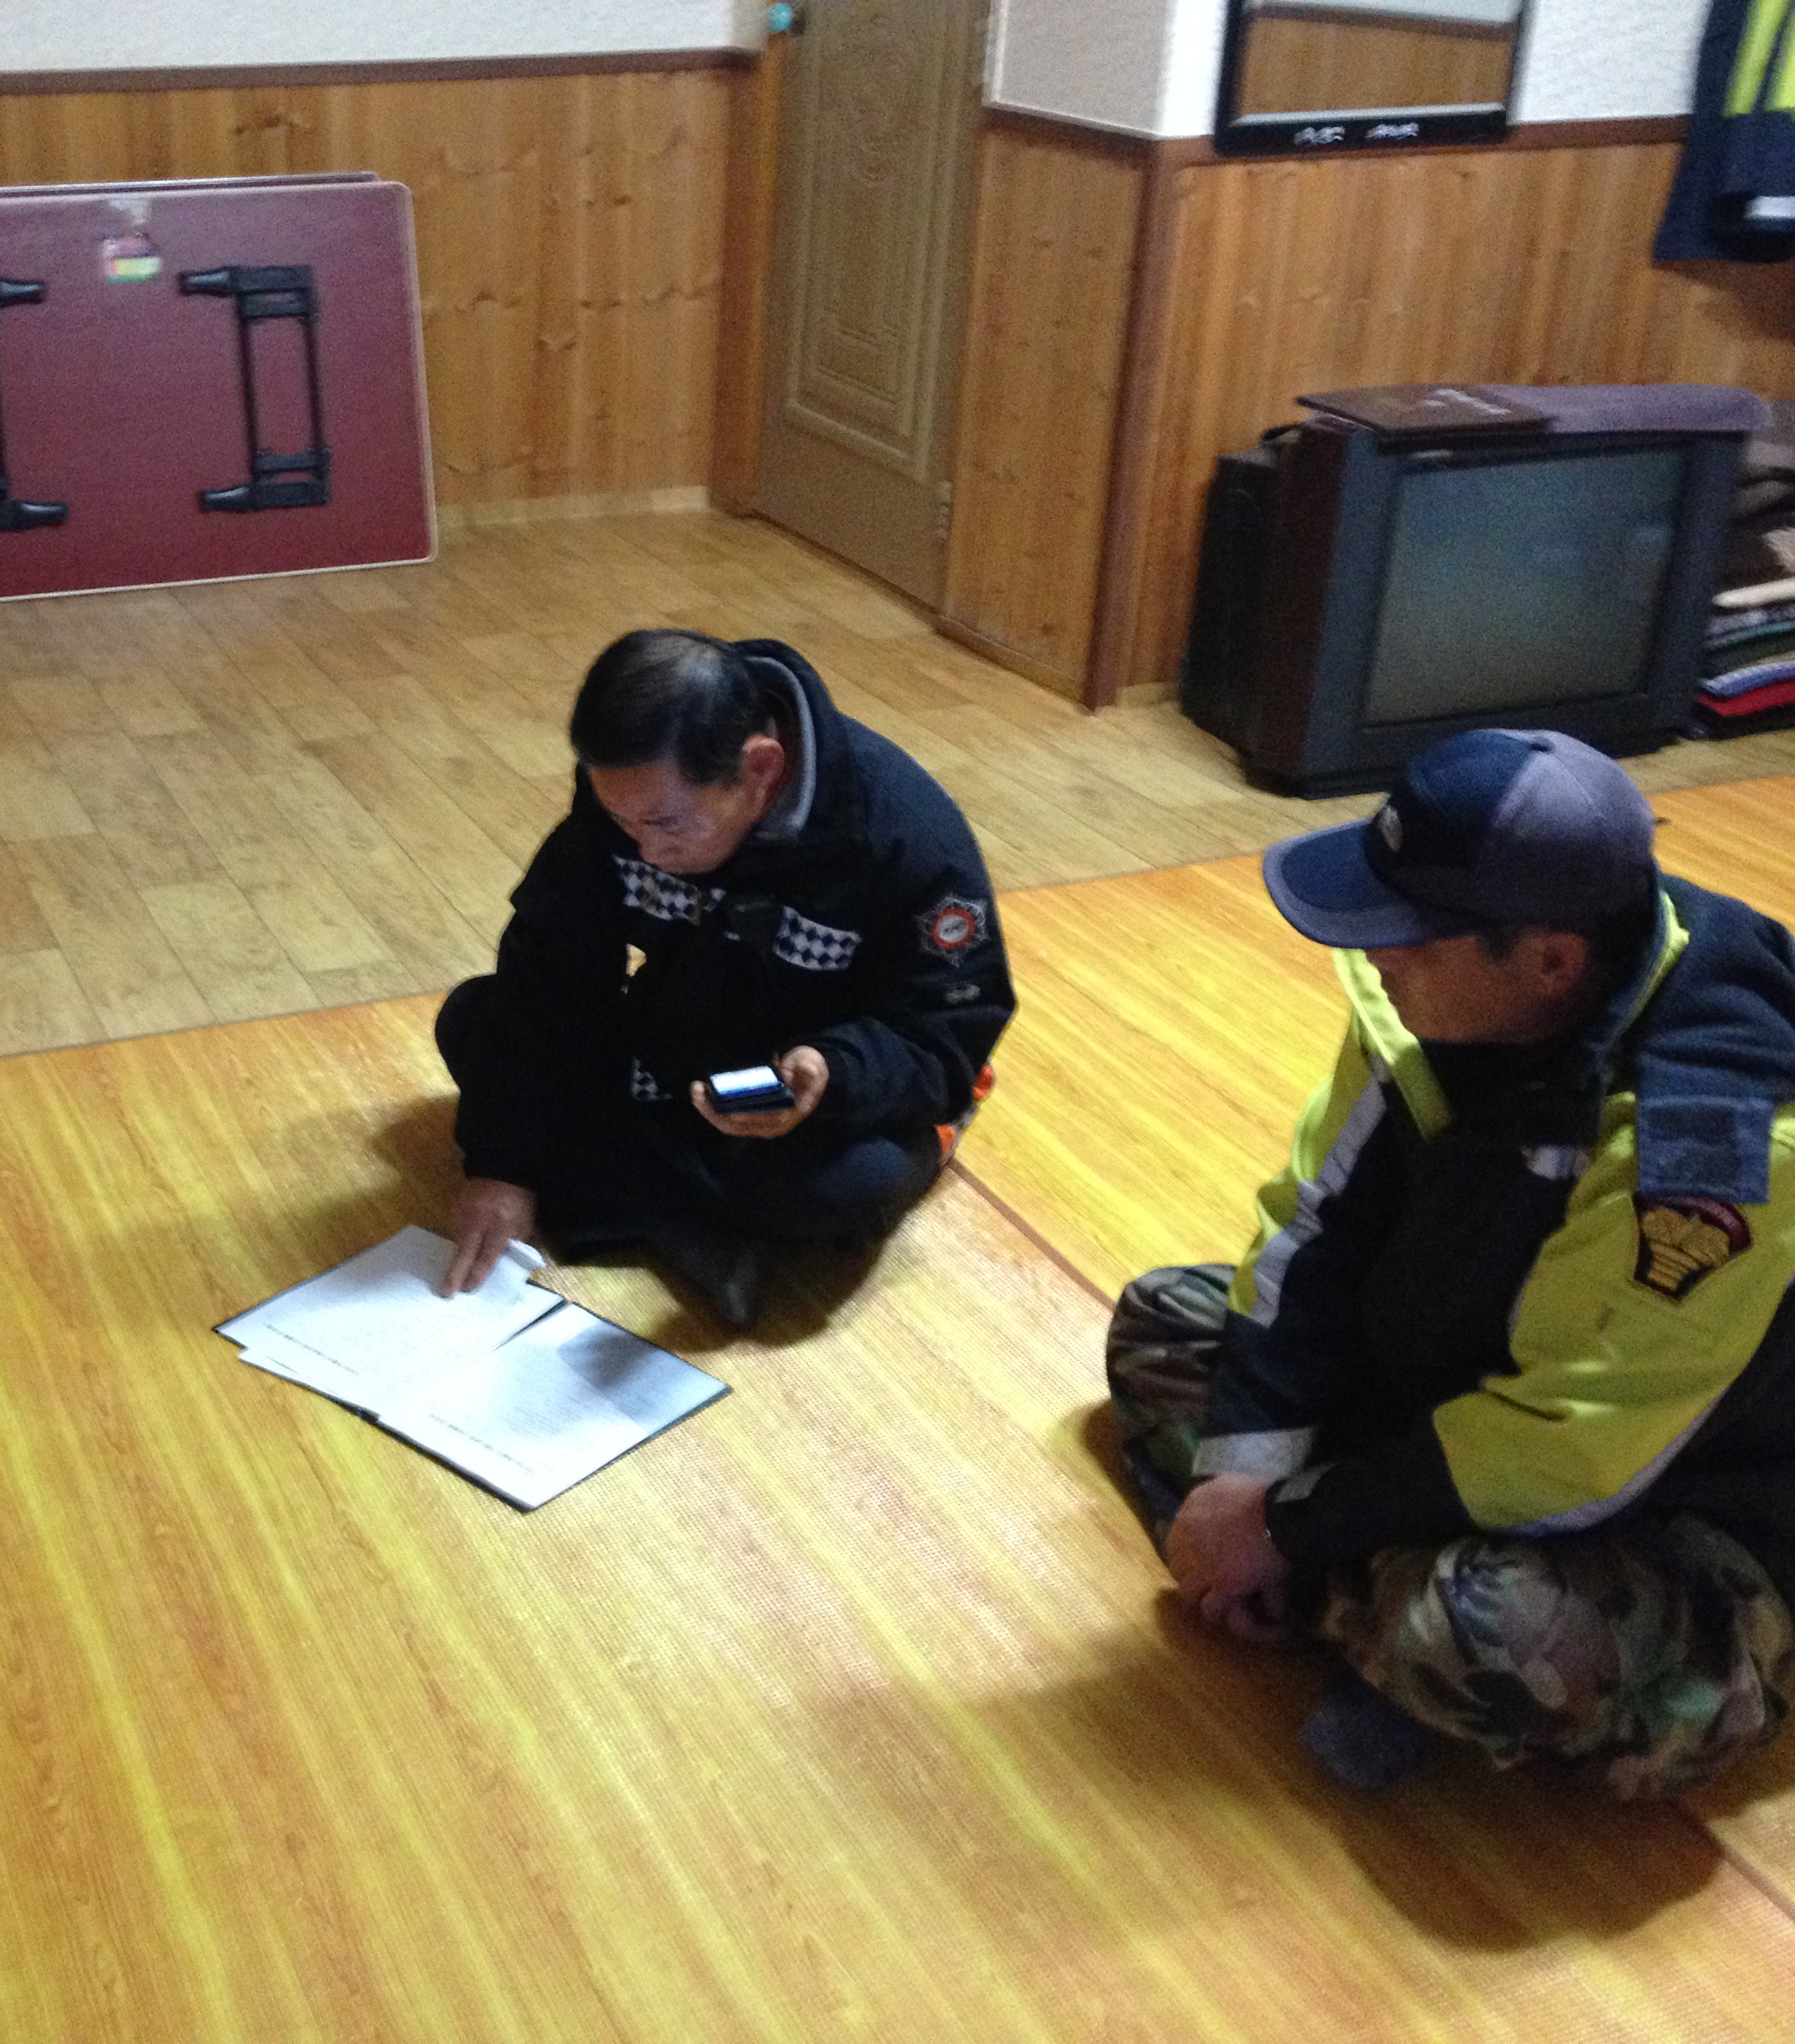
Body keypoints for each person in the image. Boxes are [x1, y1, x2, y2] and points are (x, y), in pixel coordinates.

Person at [1108, 728, 1795, 1797]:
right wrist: (1248, 1470)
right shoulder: (1446, 996)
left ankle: (1338, 1609)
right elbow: (1311, 1228)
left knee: (1476, 1633)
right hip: (1472, 1381)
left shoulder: (1714, 1142)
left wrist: (1287, 1524)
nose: (1377, 954)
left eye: (1411, 937)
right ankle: (1346, 1605)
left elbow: (1577, 1446)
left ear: (1551, 962)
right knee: (1166, 1319)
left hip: (1688, 1500)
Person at [434, 628, 1014, 1328]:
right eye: (621, 819)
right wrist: (502, 1165)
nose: (646, 849)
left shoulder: (906, 837)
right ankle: (692, 1221)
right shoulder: (634, 800)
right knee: (472, 1021)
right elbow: (548, 976)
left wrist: (834, 1070)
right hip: (681, 1042)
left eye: (667, 824)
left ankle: (631, 1198)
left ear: (761, 768)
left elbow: (944, 1037)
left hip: (816, 1085)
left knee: (847, 1185)